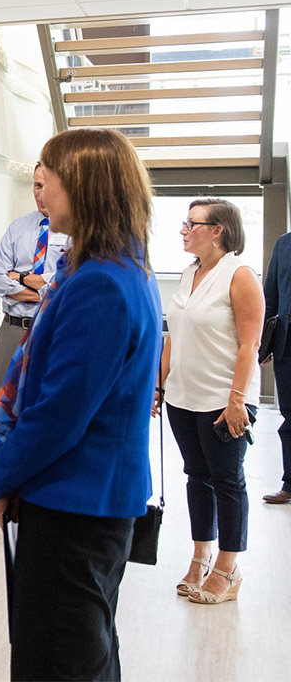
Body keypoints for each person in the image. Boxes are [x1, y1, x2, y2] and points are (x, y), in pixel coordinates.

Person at [0, 128, 160, 680]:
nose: (40, 194)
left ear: (83, 187)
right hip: (88, 503)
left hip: (75, 503)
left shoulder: (99, 284)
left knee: (60, 657)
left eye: (48, 180)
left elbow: (60, 413)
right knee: (85, 649)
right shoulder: (117, 270)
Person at [157, 198, 261, 605]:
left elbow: (249, 344)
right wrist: (159, 385)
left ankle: (228, 566)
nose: (183, 229)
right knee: (196, 477)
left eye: (191, 223)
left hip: (224, 400)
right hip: (183, 397)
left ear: (218, 230)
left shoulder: (239, 275)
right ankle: (201, 554)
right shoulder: (189, 273)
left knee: (228, 482)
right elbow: (172, 335)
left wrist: (237, 400)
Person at [0, 164, 70, 525]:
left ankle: (32, 494)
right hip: (13, 328)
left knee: (38, 408)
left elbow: (57, 284)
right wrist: (35, 285)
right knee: (0, 402)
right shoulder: (19, 227)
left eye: (46, 184)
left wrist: (26, 280)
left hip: (48, 328)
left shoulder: (75, 231)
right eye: (35, 184)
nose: (39, 192)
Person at [261, 230, 291, 505]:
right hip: (287, 345)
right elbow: (270, 295)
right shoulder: (284, 243)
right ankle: (289, 484)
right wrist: (265, 345)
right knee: (289, 418)